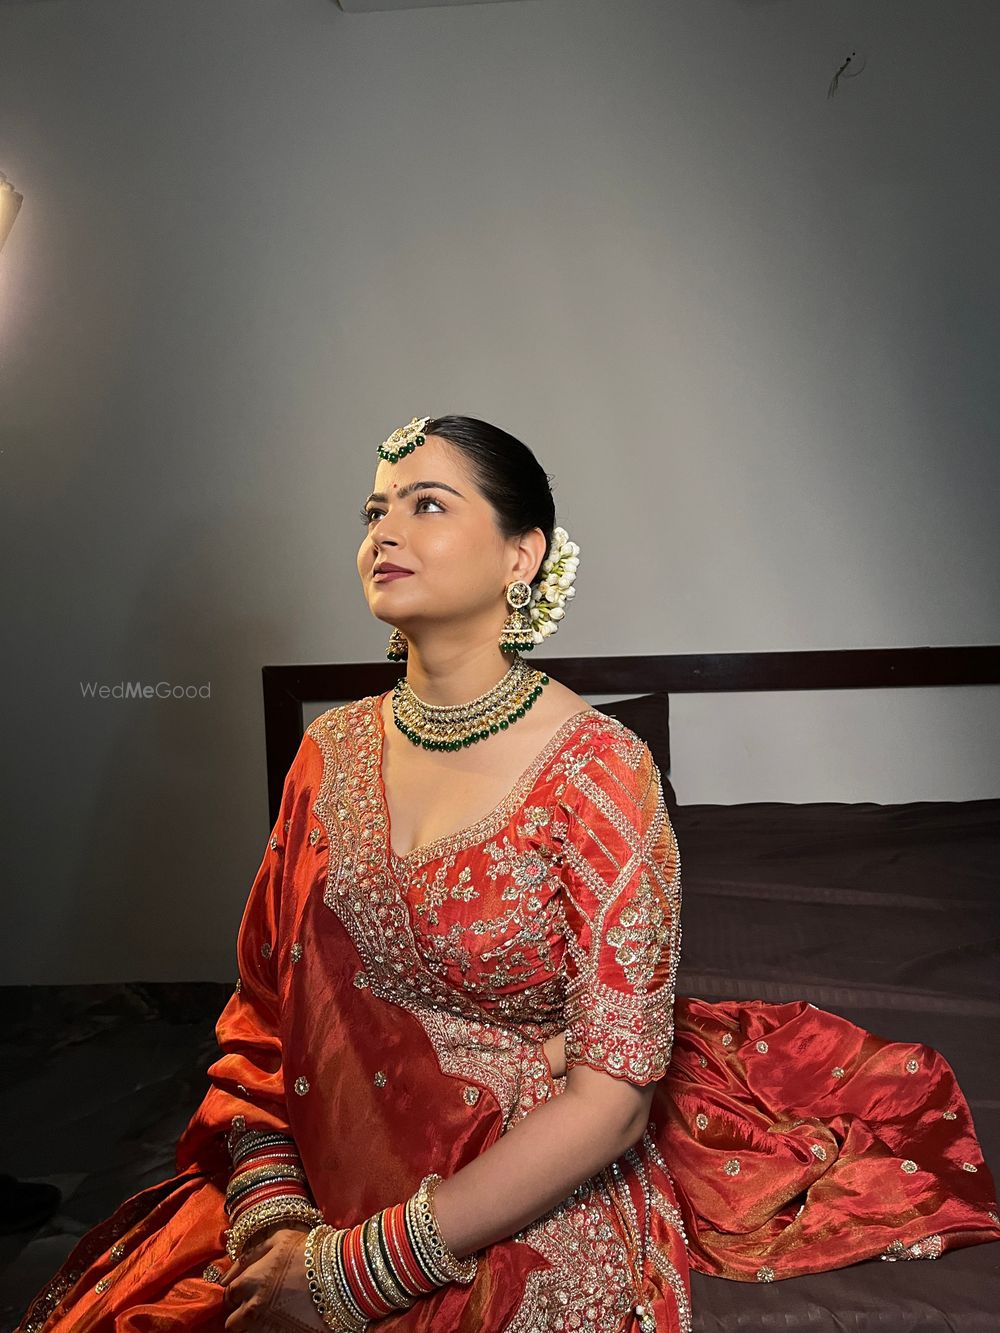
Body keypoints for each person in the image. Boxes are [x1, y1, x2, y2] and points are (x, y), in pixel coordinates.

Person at [16, 415, 999, 1333]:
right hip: (321, 1150)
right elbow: (267, 1005)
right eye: (375, 509)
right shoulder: (328, 754)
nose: (384, 530)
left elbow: (612, 1105)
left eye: (427, 504)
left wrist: (353, 1271)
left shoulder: (601, 775)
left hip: (517, 1182)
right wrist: (272, 1211)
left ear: (520, 556)